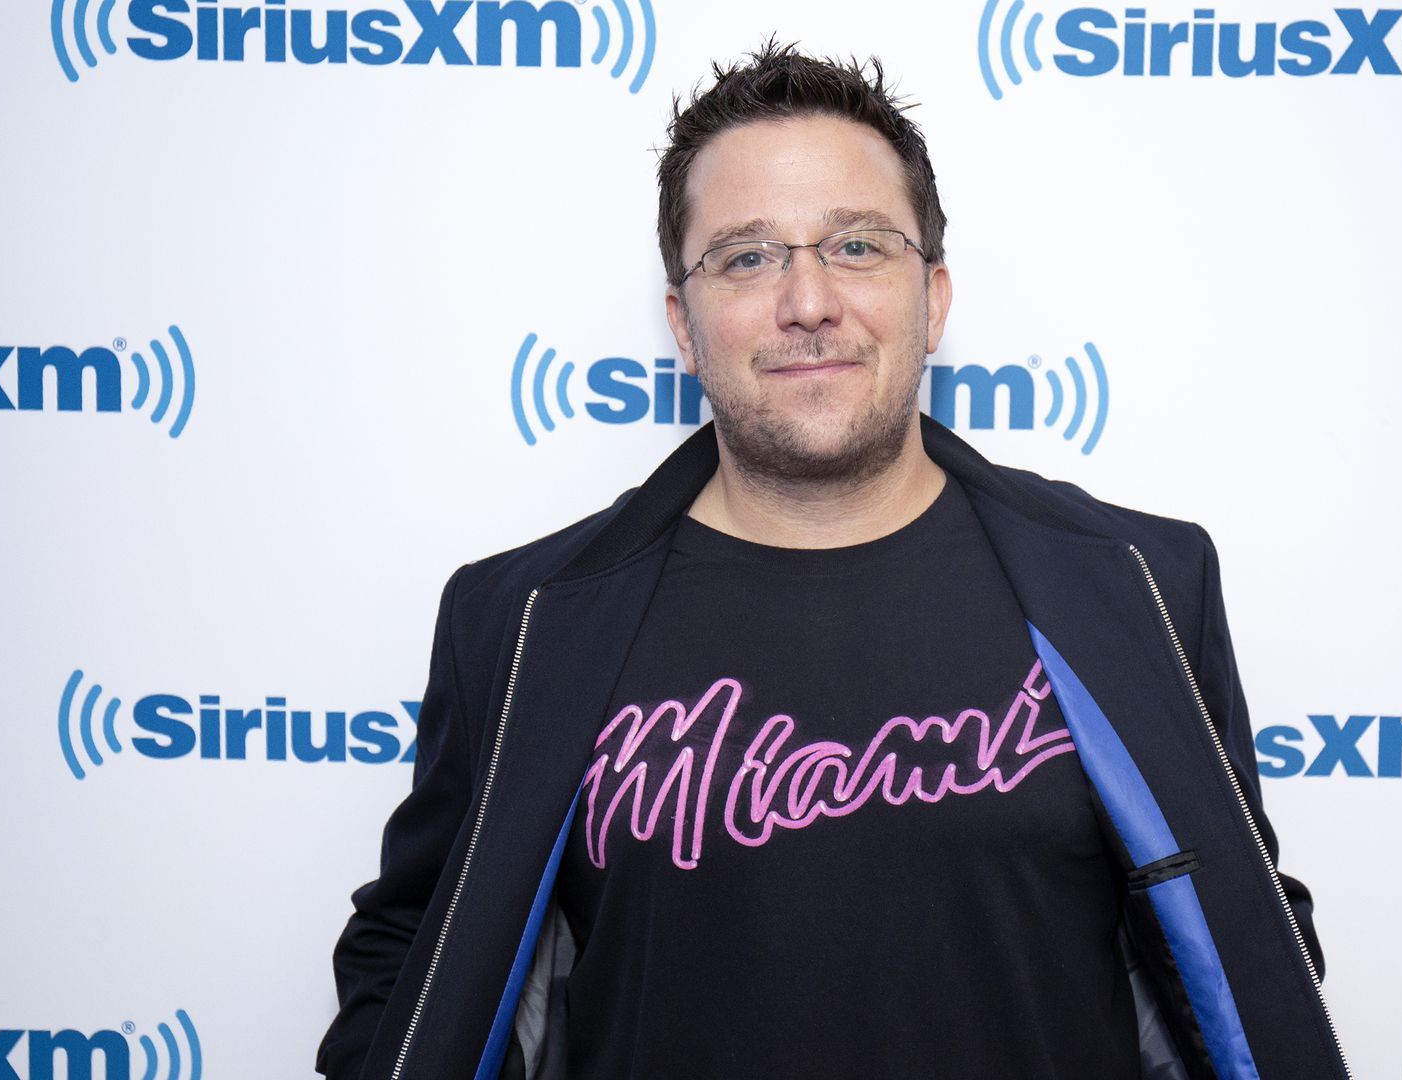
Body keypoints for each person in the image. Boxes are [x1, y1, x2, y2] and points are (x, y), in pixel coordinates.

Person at [318, 42, 1349, 1080]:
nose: (807, 302)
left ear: (933, 297)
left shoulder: (1139, 587)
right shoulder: (522, 618)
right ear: (681, 322)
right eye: (747, 256)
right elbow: (412, 950)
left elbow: (1245, 935)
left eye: (856, 247)